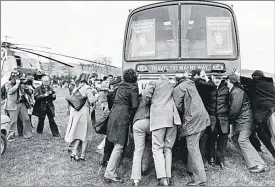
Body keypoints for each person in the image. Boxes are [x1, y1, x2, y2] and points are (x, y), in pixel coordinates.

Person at [143, 75, 181, 186]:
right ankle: (168, 176)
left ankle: (162, 177)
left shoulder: (153, 83)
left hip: (159, 118)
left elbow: (146, 97)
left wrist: (148, 102)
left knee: (157, 148)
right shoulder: (172, 84)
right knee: (168, 148)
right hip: (172, 118)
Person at [173, 72, 210, 186]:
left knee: (193, 149)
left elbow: (178, 106)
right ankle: (191, 169)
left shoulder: (178, 88)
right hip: (203, 118)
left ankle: (200, 179)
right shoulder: (191, 84)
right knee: (194, 146)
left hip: (193, 120)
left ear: (176, 80)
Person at [226, 74, 268, 173]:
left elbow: (235, 109)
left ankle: (258, 163)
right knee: (235, 138)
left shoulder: (237, 92)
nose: (225, 83)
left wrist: (227, 118)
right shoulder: (236, 91)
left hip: (246, 120)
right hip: (243, 120)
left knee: (242, 140)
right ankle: (249, 158)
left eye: (226, 81)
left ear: (230, 81)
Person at [104, 69, 139, 183]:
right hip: (123, 115)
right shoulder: (133, 87)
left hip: (114, 112)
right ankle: (109, 173)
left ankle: (109, 168)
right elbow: (134, 105)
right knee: (119, 145)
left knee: (114, 142)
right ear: (134, 77)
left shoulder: (121, 85)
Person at [234, 69, 275, 161]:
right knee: (267, 133)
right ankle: (260, 148)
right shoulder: (269, 83)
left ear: (255, 77)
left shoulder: (255, 83)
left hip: (262, 114)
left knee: (261, 133)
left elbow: (242, 80)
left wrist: (236, 74)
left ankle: (263, 150)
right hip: (271, 111)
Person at [65, 73, 98, 161]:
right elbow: (91, 100)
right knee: (85, 133)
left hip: (75, 111)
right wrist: (96, 96)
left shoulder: (76, 87)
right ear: (87, 79)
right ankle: (82, 155)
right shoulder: (87, 88)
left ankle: (74, 152)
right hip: (84, 111)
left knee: (78, 132)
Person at [191, 69, 216, 165]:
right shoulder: (201, 83)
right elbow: (212, 85)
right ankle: (202, 159)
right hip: (202, 113)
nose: (205, 77)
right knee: (203, 137)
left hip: (193, 112)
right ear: (198, 76)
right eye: (202, 75)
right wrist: (207, 79)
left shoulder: (191, 82)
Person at [206, 70, 229, 169]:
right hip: (212, 118)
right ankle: (210, 157)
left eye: (219, 78)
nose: (217, 80)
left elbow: (230, 102)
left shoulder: (226, 88)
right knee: (211, 137)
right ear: (212, 77)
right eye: (216, 78)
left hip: (223, 118)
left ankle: (220, 160)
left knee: (223, 139)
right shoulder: (208, 87)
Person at [3, 70, 33, 139]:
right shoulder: (7, 83)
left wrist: (25, 87)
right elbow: (9, 92)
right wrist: (16, 85)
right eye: (15, 77)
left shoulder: (22, 84)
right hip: (13, 104)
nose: (17, 79)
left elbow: (30, 92)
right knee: (13, 121)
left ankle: (28, 134)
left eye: (18, 77)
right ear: (12, 77)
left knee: (26, 119)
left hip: (22, 103)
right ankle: (10, 136)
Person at [131, 93, 151, 186]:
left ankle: (136, 179)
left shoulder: (139, 98)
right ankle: (144, 168)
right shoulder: (156, 98)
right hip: (151, 122)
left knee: (138, 150)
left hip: (138, 122)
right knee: (148, 145)